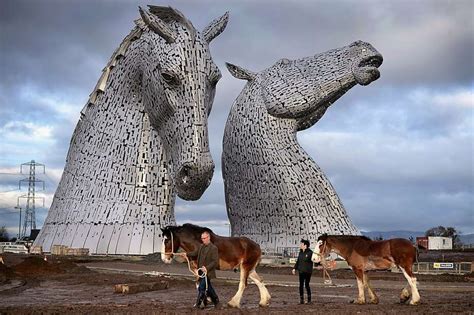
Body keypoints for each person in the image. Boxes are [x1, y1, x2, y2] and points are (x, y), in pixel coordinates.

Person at [184, 231, 219, 309]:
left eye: (204, 238)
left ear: (209, 237)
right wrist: (186, 254)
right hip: (201, 272)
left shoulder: (213, 248)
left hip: (208, 272)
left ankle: (198, 305)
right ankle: (216, 301)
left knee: (201, 287)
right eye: (202, 238)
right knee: (209, 288)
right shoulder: (201, 246)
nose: (203, 240)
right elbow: (195, 253)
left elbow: (215, 261)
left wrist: (207, 268)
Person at [292, 239, 314, 304]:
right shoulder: (300, 252)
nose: (300, 245)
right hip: (301, 271)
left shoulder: (310, 253)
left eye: (301, 244)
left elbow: (315, 260)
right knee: (300, 285)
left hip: (308, 272)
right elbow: (298, 261)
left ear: (305, 245)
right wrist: (294, 268)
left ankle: (309, 300)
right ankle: (301, 300)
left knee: (307, 285)